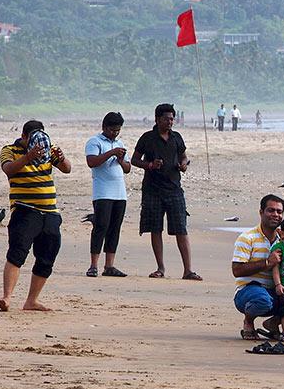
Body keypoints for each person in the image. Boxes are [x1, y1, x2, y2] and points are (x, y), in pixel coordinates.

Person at [0, 120, 71, 311]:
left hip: (50, 211)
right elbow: (9, 170)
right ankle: (7, 297)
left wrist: (61, 158)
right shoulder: (9, 149)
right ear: (24, 136)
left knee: (47, 255)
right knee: (17, 252)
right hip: (24, 208)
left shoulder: (47, 148)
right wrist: (28, 157)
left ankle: (31, 300)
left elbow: (67, 169)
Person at [131, 103, 201, 281]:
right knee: (155, 229)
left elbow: (184, 156)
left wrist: (183, 164)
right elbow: (134, 160)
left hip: (174, 189)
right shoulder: (147, 138)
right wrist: (150, 165)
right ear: (157, 119)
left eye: (172, 119)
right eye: (166, 119)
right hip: (153, 190)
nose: (170, 122)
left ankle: (188, 270)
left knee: (181, 229)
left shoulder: (176, 137)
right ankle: (160, 268)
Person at [84, 112, 131, 278]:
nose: (115, 133)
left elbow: (127, 168)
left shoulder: (120, 143)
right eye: (112, 130)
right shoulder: (95, 142)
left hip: (120, 192)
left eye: (118, 130)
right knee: (100, 227)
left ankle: (109, 265)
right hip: (102, 192)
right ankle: (93, 265)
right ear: (104, 127)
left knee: (114, 229)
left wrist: (121, 160)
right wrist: (111, 153)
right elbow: (92, 162)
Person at [232, 194, 284, 340]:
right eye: (271, 210)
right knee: (263, 300)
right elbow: (236, 270)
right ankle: (248, 321)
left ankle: (273, 323)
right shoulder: (247, 238)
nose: (275, 215)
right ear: (261, 212)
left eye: (279, 212)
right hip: (249, 291)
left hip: (276, 290)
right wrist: (267, 263)